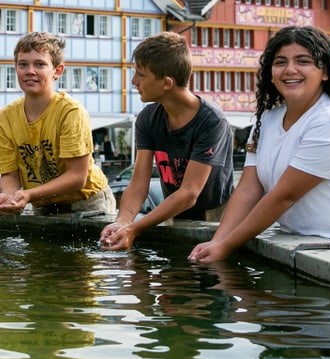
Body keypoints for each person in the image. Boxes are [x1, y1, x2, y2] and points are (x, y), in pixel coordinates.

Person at [188, 25, 330, 263]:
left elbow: (284, 196)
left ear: (325, 72)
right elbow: (249, 189)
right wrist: (218, 240)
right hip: (312, 243)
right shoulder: (267, 120)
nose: (290, 69)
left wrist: (226, 246)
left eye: (303, 61)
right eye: (280, 62)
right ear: (270, 73)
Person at [100, 32, 234, 251]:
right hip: (176, 214)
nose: (134, 82)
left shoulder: (212, 121)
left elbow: (190, 193)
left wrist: (134, 229)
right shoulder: (148, 118)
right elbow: (138, 183)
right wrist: (122, 222)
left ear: (166, 83)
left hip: (216, 219)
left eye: (140, 75)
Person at [0, 32, 116, 216]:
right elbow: (9, 175)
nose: (30, 71)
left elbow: (77, 177)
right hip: (42, 203)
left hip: (87, 202)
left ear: (58, 71)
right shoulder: (5, 118)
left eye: (39, 64)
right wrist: (9, 196)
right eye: (23, 64)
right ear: (15, 68)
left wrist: (28, 195)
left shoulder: (71, 112)